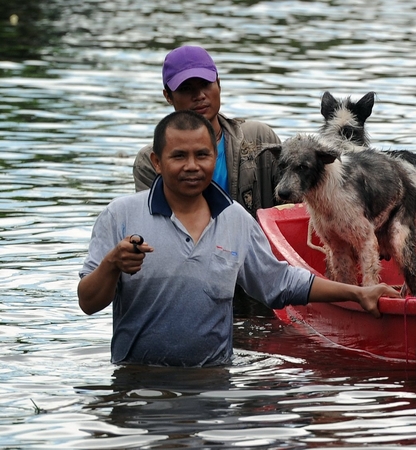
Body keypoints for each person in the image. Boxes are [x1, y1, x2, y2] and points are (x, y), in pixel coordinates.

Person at [79, 110, 399, 367]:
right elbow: (88, 302)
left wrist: (359, 293)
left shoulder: (235, 219)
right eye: (179, 156)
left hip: (214, 385)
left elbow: (280, 282)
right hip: (138, 387)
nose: (192, 166)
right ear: (157, 162)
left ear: (213, 158)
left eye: (202, 155)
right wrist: (111, 264)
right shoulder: (119, 216)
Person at [133, 45, 281, 217]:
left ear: (218, 84)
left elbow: (295, 206)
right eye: (186, 88)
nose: (199, 95)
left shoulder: (259, 138)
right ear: (168, 96)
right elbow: (152, 224)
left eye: (205, 84)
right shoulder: (149, 161)